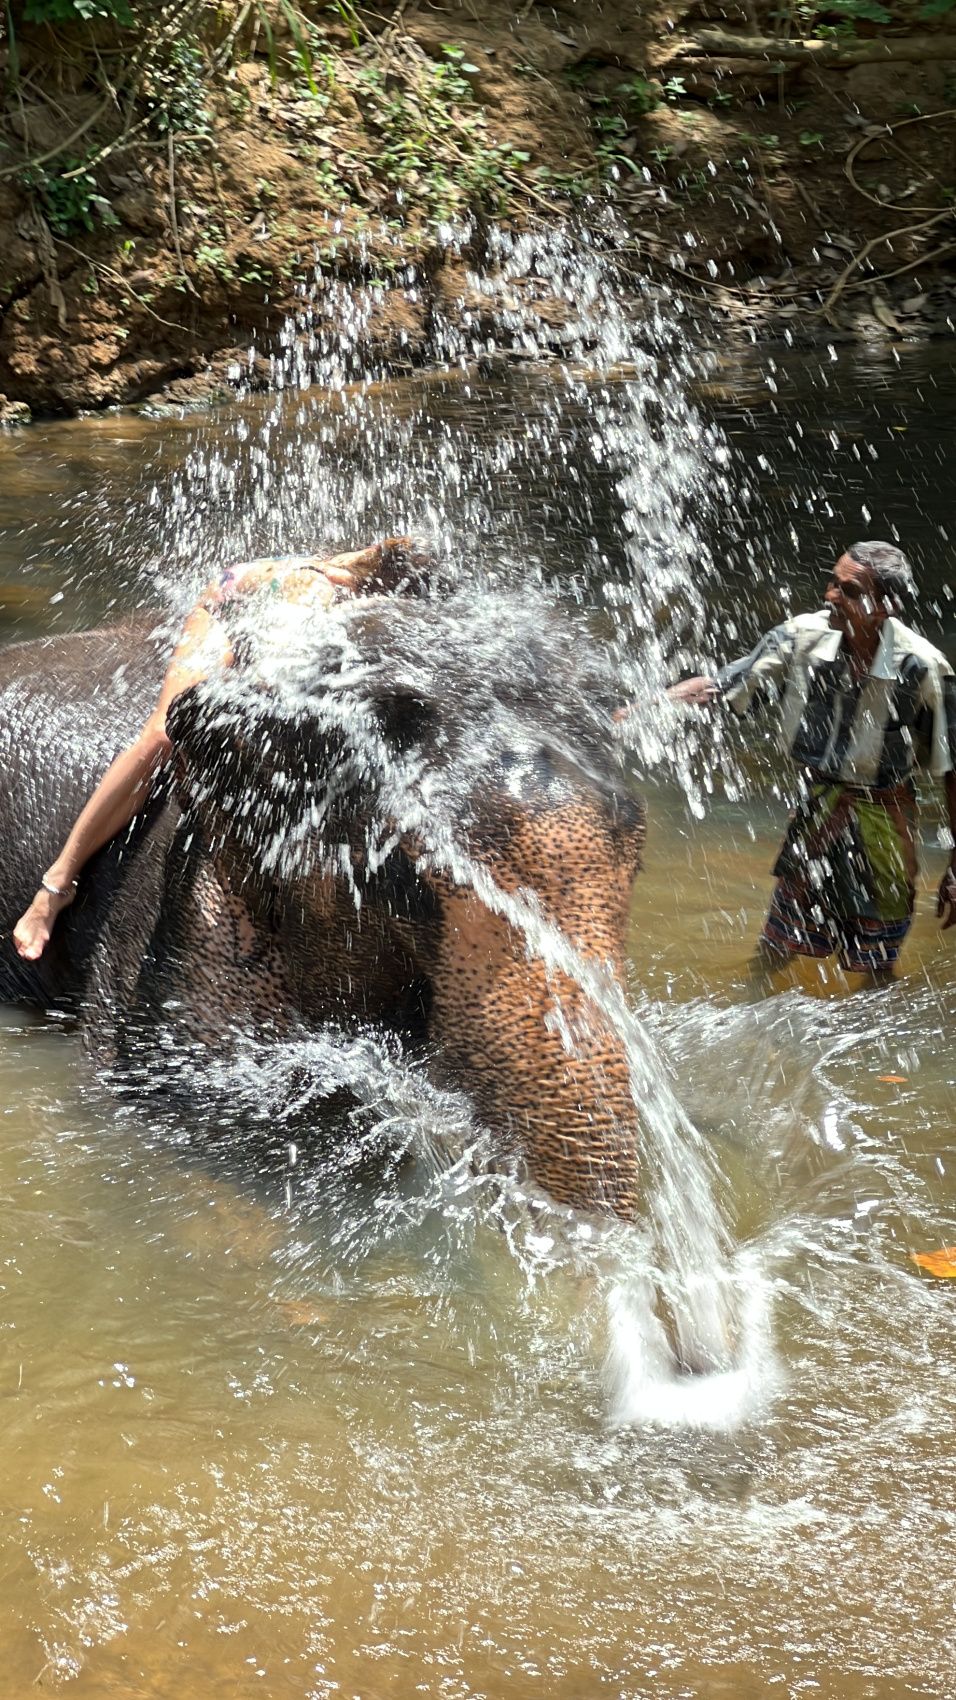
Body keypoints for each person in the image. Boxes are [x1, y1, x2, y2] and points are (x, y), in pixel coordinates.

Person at [13, 536, 432, 963]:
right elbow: (270, 680)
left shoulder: (358, 593)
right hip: (223, 615)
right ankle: (56, 885)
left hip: (263, 620)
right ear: (385, 589)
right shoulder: (315, 591)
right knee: (163, 734)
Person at [667, 540, 956, 979]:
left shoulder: (922, 668)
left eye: (849, 591)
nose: (830, 596)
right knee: (775, 948)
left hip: (886, 823)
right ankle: (752, 1007)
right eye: (833, 583)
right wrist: (648, 708)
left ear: (887, 607)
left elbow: (952, 768)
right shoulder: (801, 637)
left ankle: (870, 1021)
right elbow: (720, 686)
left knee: (877, 963)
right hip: (819, 812)